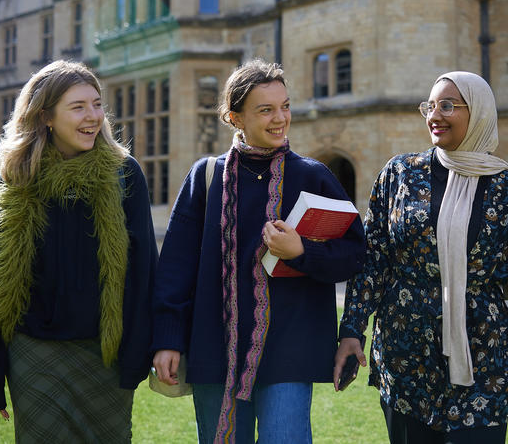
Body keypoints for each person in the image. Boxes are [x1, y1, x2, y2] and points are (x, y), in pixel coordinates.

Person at [334, 72, 508, 444]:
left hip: (483, 361)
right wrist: (352, 331)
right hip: (405, 357)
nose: (434, 115)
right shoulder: (399, 175)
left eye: (447, 105)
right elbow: (374, 262)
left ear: (478, 114)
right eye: (430, 106)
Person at [152, 59, 366, 444]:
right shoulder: (205, 177)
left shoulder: (314, 176)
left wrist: (300, 251)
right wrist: (168, 339)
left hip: (290, 351)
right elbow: (175, 268)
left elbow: (353, 256)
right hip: (214, 349)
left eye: (285, 106)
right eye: (265, 109)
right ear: (235, 117)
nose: (280, 118)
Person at [0, 60, 158, 442]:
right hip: (33, 353)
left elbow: (144, 271)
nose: (93, 116)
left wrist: (139, 353)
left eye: (97, 104)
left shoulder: (125, 174)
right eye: (78, 107)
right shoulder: (16, 177)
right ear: (45, 116)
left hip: (105, 356)